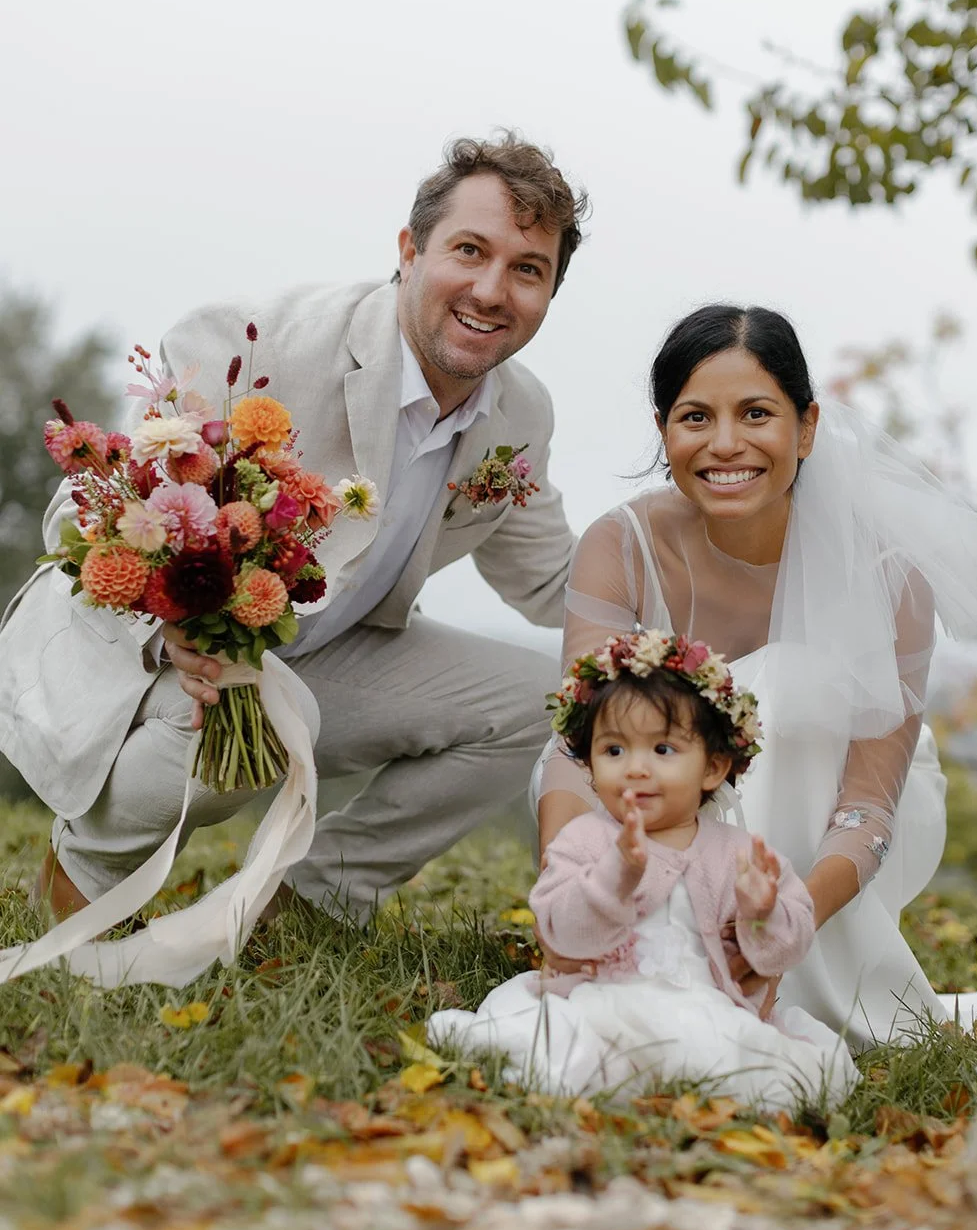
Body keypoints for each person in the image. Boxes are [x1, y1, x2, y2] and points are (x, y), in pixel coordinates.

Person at [0, 133, 586, 924]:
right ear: (410, 250)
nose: (492, 290)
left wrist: (718, 604)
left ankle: (309, 898)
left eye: (527, 269)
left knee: (544, 697)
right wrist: (167, 614)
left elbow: (556, 582)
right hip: (152, 662)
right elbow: (85, 507)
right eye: (469, 250)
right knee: (279, 714)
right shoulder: (258, 341)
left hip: (322, 660)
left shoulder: (520, 412)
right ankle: (86, 869)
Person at [534, 304, 977, 1047]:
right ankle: (646, 944)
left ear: (806, 426)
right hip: (656, 796)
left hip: (844, 808)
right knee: (607, 743)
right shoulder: (620, 544)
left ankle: (781, 975)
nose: (725, 445)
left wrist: (789, 921)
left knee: (783, 690)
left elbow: (869, 802)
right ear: (663, 431)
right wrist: (563, 890)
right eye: (694, 417)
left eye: (756, 413)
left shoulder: (887, 570)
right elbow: (574, 746)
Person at [427, 630, 857, 1106]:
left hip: (702, 1004)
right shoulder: (585, 840)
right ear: (588, 764)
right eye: (614, 750)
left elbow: (782, 953)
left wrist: (763, 912)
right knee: (567, 1044)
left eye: (662, 750)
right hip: (599, 996)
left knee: (737, 1061)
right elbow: (561, 933)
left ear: (714, 768)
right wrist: (614, 877)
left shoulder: (736, 852)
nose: (635, 768)